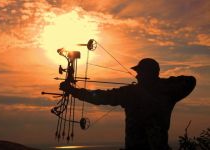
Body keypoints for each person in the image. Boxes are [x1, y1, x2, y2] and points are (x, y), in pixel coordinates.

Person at [59, 58, 196, 150]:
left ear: (149, 74)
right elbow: (101, 97)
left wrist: (72, 90)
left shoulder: (145, 93)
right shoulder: (162, 92)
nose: (136, 76)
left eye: (140, 73)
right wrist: (74, 91)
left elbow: (191, 80)